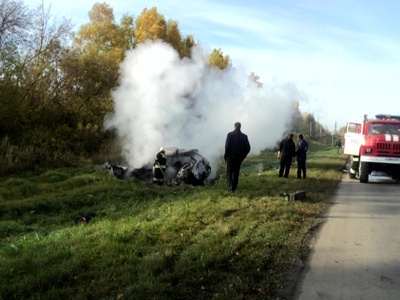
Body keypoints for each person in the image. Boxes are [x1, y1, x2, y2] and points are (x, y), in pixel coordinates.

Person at [224, 122, 251, 192]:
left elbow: (227, 147)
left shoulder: (230, 135)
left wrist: (226, 155)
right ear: (240, 127)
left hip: (230, 157)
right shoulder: (244, 136)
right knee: (236, 172)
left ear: (234, 126)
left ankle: (230, 187)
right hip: (239, 158)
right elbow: (248, 148)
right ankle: (234, 187)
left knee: (229, 172)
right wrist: (243, 156)